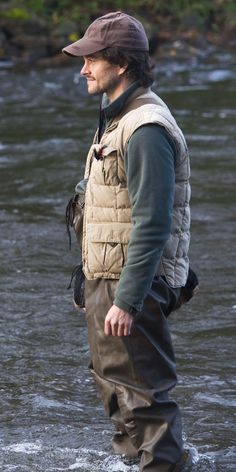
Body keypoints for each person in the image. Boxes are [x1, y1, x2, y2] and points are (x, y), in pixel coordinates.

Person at [63, 11, 195, 472]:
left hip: (130, 287)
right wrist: (87, 277)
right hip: (110, 280)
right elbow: (105, 207)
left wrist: (127, 299)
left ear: (119, 64)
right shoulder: (117, 117)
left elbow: (154, 223)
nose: (83, 69)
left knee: (144, 400)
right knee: (117, 393)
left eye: (92, 59)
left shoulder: (145, 129)